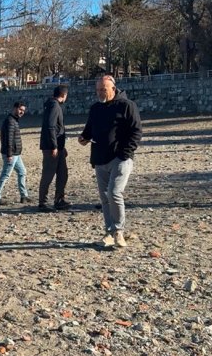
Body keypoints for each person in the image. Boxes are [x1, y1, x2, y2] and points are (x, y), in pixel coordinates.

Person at [78, 76, 142, 248]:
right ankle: (109, 232)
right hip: (100, 159)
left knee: (114, 193)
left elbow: (136, 132)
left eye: (103, 90)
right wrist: (83, 138)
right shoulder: (95, 108)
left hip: (120, 159)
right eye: (98, 90)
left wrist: (124, 153)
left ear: (113, 89)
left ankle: (119, 231)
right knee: (104, 198)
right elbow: (89, 130)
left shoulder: (127, 106)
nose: (100, 93)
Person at [38, 85, 71, 212]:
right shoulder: (54, 106)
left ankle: (59, 199)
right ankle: (43, 203)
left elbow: (56, 128)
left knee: (63, 174)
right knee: (48, 174)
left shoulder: (52, 105)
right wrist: (54, 146)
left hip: (58, 147)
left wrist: (62, 147)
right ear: (64, 95)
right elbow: (51, 127)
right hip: (51, 147)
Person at [0, 102, 29, 206]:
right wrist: (9, 154)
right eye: (20, 109)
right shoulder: (10, 121)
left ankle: (24, 196)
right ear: (15, 108)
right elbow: (8, 139)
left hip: (16, 153)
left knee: (22, 171)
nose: (22, 112)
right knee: (5, 175)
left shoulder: (14, 120)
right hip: (11, 154)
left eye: (23, 111)